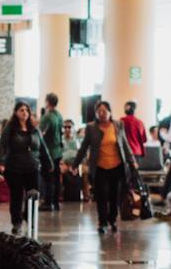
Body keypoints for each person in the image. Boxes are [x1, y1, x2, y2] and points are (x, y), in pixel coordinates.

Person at [79, 100, 132, 234]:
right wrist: (76, 163)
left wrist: (132, 161)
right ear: (96, 113)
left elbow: (124, 144)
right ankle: (102, 222)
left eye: (104, 111)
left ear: (110, 112)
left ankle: (112, 220)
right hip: (99, 167)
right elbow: (84, 146)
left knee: (114, 196)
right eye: (99, 111)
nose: (102, 114)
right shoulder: (91, 127)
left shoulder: (118, 125)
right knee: (101, 196)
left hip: (117, 166)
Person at [0, 100, 44, 236]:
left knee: (34, 195)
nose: (24, 113)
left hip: (32, 167)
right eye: (21, 110)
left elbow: (42, 147)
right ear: (16, 113)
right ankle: (16, 223)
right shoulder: (10, 128)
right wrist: (1, 162)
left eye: (26, 110)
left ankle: (30, 219)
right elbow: (2, 145)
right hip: (14, 168)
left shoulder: (34, 129)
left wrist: (48, 163)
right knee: (16, 196)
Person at [38, 92, 67, 212]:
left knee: (48, 178)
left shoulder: (47, 116)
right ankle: (55, 202)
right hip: (58, 151)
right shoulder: (59, 115)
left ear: (47, 102)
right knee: (56, 177)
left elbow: (40, 132)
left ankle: (47, 202)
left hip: (48, 151)